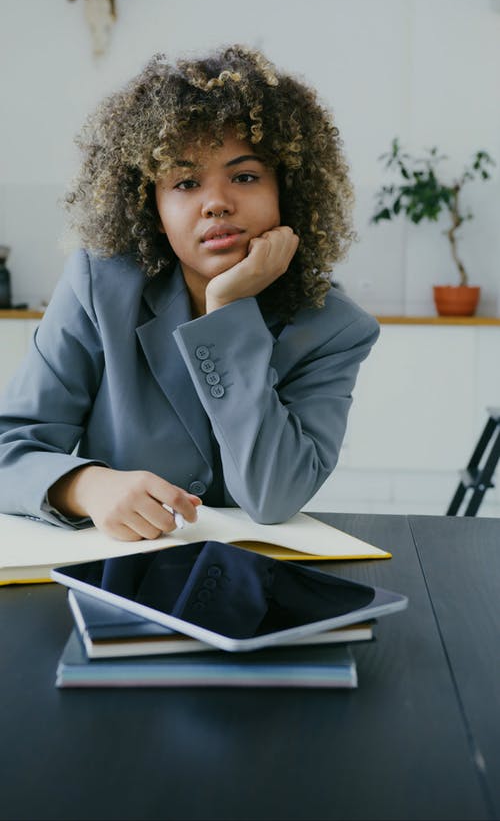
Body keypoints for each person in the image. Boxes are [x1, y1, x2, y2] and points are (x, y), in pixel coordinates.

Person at [0, 45, 379, 541]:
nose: (216, 203)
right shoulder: (100, 286)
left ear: (286, 192)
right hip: (118, 569)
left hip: (255, 577)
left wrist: (228, 310)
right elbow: (9, 449)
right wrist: (87, 486)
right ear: (151, 207)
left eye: (245, 176)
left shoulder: (334, 327)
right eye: (185, 183)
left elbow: (275, 495)